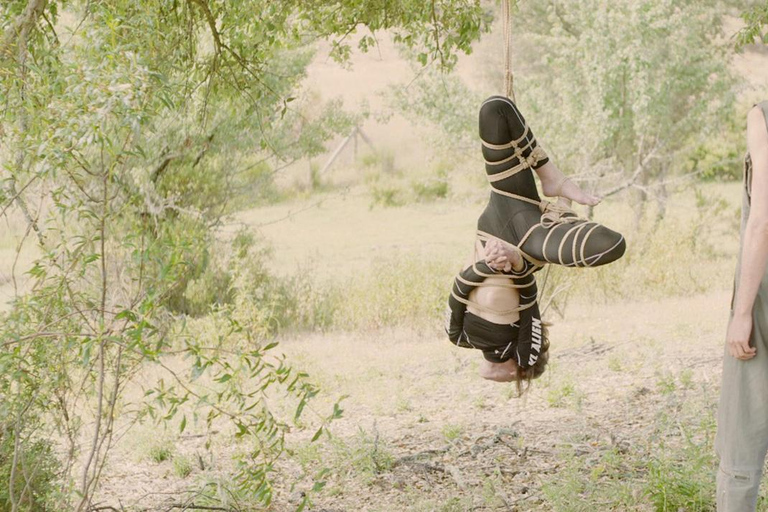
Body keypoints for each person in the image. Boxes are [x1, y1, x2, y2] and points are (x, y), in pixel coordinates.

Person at [477, 96, 625, 270]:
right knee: (613, 243)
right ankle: (553, 180)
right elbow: (611, 244)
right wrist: (517, 261)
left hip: (507, 204)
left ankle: (551, 176)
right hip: (529, 237)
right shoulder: (536, 240)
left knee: (495, 109)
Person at [716, 101, 768, 511]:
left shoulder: (763, 115)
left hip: (762, 289)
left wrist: (743, 311)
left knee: (741, 435)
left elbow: (763, 220)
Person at [445, 235, 549, 390]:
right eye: (511, 380)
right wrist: (517, 265)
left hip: (484, 255)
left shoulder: (459, 338)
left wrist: (487, 266)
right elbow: (529, 301)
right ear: (516, 371)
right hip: (509, 265)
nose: (511, 378)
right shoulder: (526, 356)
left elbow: (458, 289)